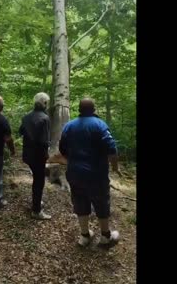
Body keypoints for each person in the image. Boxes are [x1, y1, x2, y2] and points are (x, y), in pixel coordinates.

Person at [59, 98, 122, 246]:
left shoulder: (69, 126)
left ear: (80, 109)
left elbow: (62, 149)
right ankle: (106, 236)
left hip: (75, 173)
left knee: (80, 202)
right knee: (101, 202)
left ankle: (85, 236)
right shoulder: (100, 124)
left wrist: (75, 161)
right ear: (94, 109)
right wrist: (115, 167)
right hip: (96, 174)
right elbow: (112, 149)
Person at [19, 93, 52, 220]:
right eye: (46, 103)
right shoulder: (45, 118)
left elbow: (21, 131)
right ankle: (36, 210)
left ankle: (36, 202)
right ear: (44, 103)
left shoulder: (26, 117)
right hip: (39, 155)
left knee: (36, 180)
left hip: (28, 154)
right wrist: (47, 153)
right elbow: (45, 141)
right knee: (39, 181)